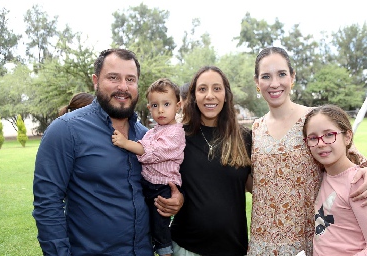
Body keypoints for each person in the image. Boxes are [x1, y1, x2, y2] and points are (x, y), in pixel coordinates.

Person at [32, 48, 183, 255]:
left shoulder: (145, 136)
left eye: (130, 79)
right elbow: (47, 203)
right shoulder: (65, 131)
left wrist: (176, 201)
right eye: (113, 78)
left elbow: (160, 181)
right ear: (96, 81)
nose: (123, 87)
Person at [248, 46, 367, 256]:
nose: (274, 83)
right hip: (263, 241)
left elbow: (352, 156)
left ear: (292, 77)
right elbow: (256, 182)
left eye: (282, 74)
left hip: (310, 240)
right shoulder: (256, 129)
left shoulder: (313, 119)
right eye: (266, 76)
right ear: (257, 83)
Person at [160, 66, 252, 256]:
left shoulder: (245, 138)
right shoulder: (177, 137)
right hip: (186, 248)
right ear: (194, 96)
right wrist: (175, 197)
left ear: (226, 95)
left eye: (217, 88)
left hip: (233, 248)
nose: (210, 95)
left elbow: (257, 186)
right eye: (202, 89)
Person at [303, 104, 367, 256]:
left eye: (329, 135)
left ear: (347, 137)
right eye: (313, 138)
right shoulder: (324, 175)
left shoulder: (360, 182)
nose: (321, 143)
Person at [112, 78, 185, 256]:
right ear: (149, 107)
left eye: (166, 104)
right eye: (154, 105)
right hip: (149, 184)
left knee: (160, 225)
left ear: (178, 105)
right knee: (148, 220)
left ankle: (166, 252)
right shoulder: (152, 131)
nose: (160, 110)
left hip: (163, 187)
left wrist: (125, 143)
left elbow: (151, 152)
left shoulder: (176, 132)